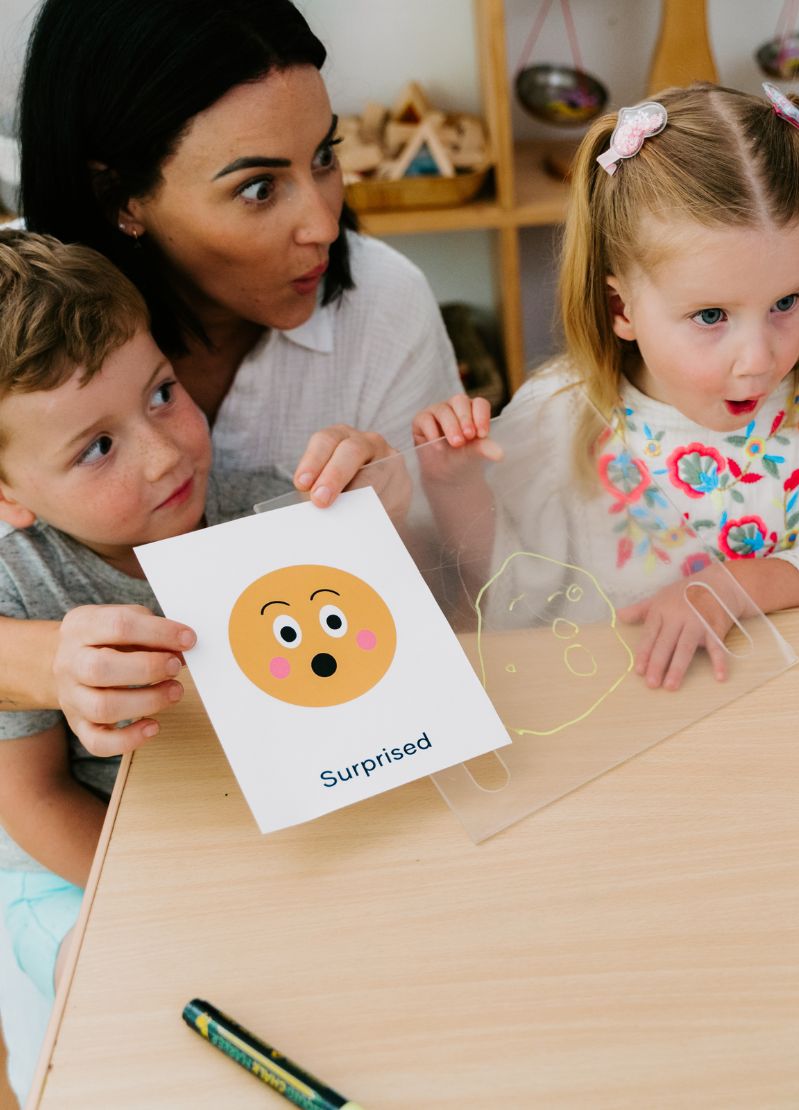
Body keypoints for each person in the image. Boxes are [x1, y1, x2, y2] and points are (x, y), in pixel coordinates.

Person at [0, 0, 462, 738]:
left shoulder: (384, 305)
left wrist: (394, 518)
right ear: (119, 196)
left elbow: (459, 599)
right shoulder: (14, 315)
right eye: (257, 188)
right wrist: (41, 662)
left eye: (324, 157)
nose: (323, 225)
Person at [0, 228, 324, 1103]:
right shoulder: (20, 587)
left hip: (248, 838)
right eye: (96, 447)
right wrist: (178, 887)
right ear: (9, 494)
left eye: (162, 394)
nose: (164, 452)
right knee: (122, 1023)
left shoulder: (258, 509)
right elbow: (31, 801)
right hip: (73, 865)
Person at [413, 83, 799, 691]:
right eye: (711, 316)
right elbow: (509, 591)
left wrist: (741, 585)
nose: (757, 360)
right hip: (627, 724)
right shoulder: (560, 418)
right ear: (621, 307)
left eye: (786, 301)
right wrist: (453, 483)